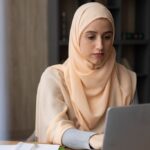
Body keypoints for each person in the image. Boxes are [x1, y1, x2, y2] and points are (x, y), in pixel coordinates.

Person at [35, 2, 137, 149]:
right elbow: (55, 128)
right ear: (76, 37)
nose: (100, 45)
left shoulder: (126, 78)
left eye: (107, 37)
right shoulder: (54, 78)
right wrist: (93, 139)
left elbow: (135, 129)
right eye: (91, 37)